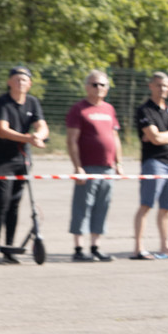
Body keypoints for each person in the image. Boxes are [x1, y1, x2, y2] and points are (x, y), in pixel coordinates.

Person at [0, 66, 47, 264]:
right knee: (1, 203)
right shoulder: (3, 102)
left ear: (29, 84)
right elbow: (2, 130)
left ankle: (9, 248)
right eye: (17, 79)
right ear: (9, 82)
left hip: (22, 160)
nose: (21, 83)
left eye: (24, 80)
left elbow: (41, 125)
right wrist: (28, 138)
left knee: (14, 204)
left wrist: (39, 136)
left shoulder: (32, 102)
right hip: (2, 161)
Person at [131, 71, 168, 260]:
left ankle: (165, 246)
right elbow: (155, 139)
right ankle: (139, 248)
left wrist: (165, 135)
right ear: (151, 86)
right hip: (153, 162)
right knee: (146, 205)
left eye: (166, 86)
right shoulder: (145, 110)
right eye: (159, 85)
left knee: (166, 208)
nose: (162, 89)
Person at [65, 70, 123, 263]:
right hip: (87, 167)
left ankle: (95, 247)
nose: (99, 88)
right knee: (82, 207)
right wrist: (77, 166)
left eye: (102, 85)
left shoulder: (109, 109)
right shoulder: (79, 109)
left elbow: (115, 137)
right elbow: (72, 140)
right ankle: (78, 248)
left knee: (102, 207)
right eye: (94, 84)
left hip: (107, 167)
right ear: (87, 87)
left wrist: (119, 163)